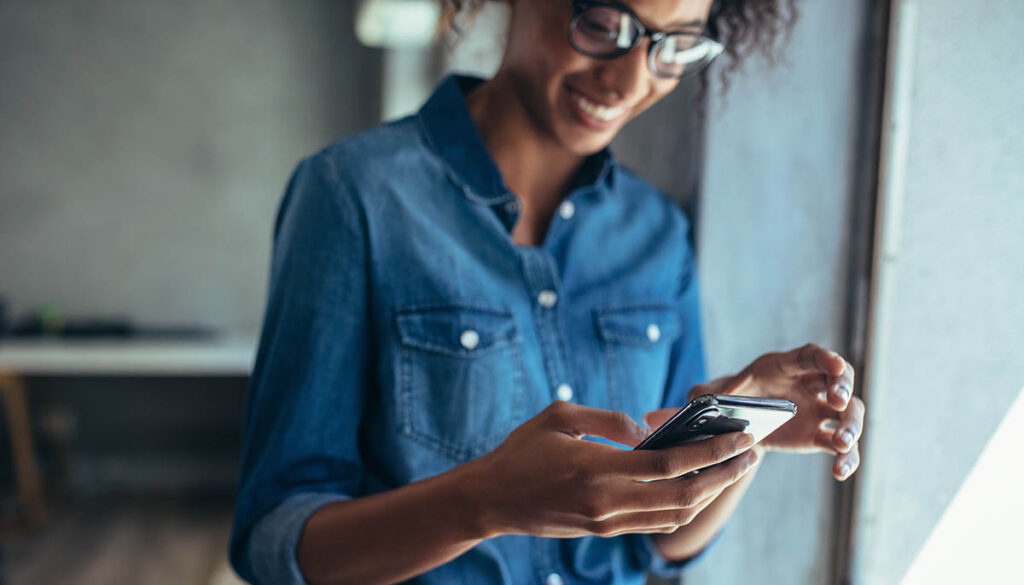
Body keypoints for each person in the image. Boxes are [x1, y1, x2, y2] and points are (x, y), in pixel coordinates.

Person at [229, 0, 866, 584]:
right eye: (602, 25)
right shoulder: (352, 196)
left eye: (674, 47)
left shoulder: (657, 235)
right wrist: (484, 501)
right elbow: (275, 542)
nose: (628, 82)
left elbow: (656, 545)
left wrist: (738, 437)